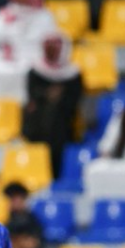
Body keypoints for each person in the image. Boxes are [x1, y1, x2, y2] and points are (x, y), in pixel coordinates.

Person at [22, 32, 82, 178]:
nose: (51, 50)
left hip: (63, 125)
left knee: (56, 118)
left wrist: (53, 98)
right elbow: (32, 95)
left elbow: (73, 100)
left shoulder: (73, 74)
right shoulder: (35, 70)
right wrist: (48, 95)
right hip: (37, 125)